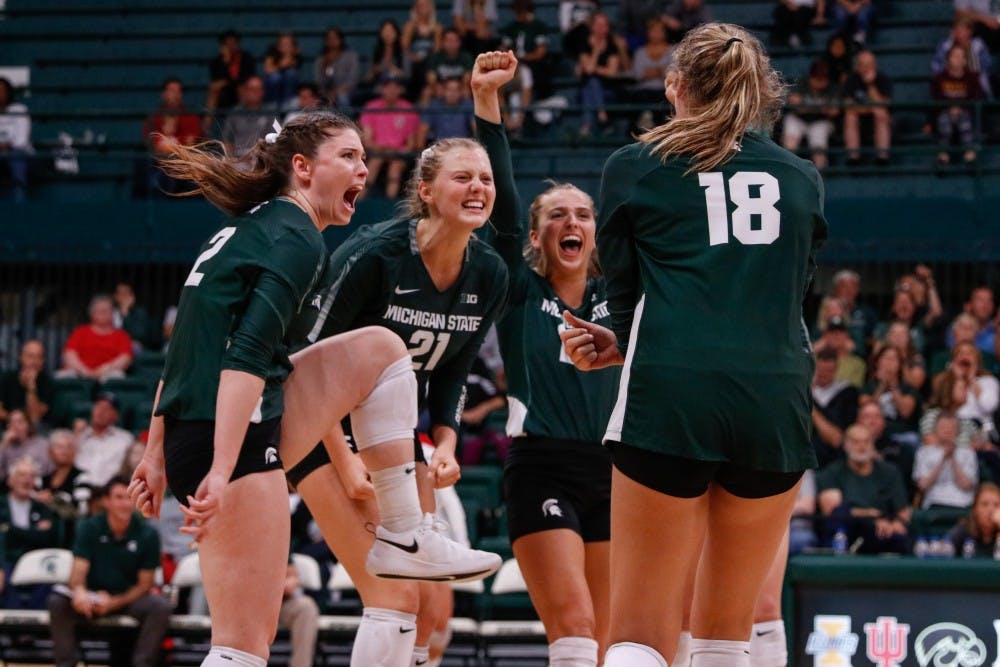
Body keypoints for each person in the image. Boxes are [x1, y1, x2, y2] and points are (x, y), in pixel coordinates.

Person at [128, 110, 498, 667]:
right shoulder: (297, 240)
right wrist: (222, 470)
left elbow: (184, 350)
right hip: (227, 436)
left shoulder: (254, 227)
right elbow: (245, 355)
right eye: (347, 157)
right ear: (301, 168)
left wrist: (155, 453)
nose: (363, 171)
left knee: (380, 349)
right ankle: (404, 531)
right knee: (242, 648)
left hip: (205, 427)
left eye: (365, 159)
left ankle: (405, 532)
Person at [559, 23, 827, 667]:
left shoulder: (633, 167)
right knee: (723, 639)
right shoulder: (801, 178)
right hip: (774, 400)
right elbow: (784, 297)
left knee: (638, 638)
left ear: (676, 89)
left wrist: (620, 341)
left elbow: (625, 294)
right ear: (759, 91)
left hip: (671, 395)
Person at [280, 67, 513, 664]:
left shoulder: (489, 273)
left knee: (432, 603)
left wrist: (445, 442)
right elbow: (307, 367)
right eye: (463, 177)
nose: (479, 187)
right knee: (393, 593)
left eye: (486, 178)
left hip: (394, 436)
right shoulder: (373, 256)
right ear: (427, 191)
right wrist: (346, 458)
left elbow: (453, 372)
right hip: (320, 429)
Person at [475, 52, 619, 666]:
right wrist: (487, 103)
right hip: (542, 468)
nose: (572, 222)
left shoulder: (620, 299)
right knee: (576, 626)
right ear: (536, 237)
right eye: (557, 215)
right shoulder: (518, 288)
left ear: (596, 234)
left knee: (615, 641)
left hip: (616, 472)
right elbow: (504, 202)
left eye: (583, 214)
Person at [48, 476, 171, 667]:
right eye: (119, 498)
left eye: (129, 498)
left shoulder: (148, 534)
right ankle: (66, 664)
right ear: (106, 501)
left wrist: (113, 603)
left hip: (128, 599)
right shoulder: (89, 527)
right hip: (92, 598)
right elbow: (77, 572)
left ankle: (142, 663)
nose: (125, 504)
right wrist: (80, 593)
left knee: (160, 606)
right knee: (58, 602)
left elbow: (145, 585)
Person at [817, 424, 911, 554]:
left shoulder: (890, 472)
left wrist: (898, 524)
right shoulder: (832, 473)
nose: (862, 446)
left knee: (900, 541)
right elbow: (832, 511)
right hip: (848, 531)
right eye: (856, 442)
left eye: (866, 441)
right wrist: (870, 516)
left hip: (883, 532)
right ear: (845, 445)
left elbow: (902, 511)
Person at [359, 71, 422, 198]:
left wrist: (395, 152)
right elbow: (367, 140)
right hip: (377, 152)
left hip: (399, 154)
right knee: (375, 162)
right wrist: (383, 150)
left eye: (395, 87)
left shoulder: (409, 109)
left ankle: (389, 205)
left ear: (401, 89)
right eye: (387, 86)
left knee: (395, 167)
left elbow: (411, 144)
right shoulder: (371, 107)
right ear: (382, 89)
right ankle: (358, 203)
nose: (391, 90)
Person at [142, 78, 202, 196]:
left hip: (184, 165)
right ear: (163, 94)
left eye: (178, 91)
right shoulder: (153, 118)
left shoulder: (190, 117)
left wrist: (168, 141)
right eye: (171, 91)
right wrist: (178, 142)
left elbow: (190, 143)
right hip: (159, 165)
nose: (175, 95)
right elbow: (154, 145)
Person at [931, 44, 984, 165]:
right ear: (948, 59)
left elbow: (975, 98)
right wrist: (951, 108)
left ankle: (970, 154)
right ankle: (943, 155)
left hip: (967, 112)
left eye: (961, 56)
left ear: (965, 61)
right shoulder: (938, 79)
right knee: (944, 118)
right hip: (945, 112)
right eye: (955, 56)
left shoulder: (973, 78)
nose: (958, 59)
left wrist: (959, 108)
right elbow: (936, 100)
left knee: (965, 118)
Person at [59, 294, 134, 381]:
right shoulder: (80, 332)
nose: (105, 314)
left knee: (117, 376)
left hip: (108, 374)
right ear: (92, 313)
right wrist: (84, 371)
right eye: (102, 311)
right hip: (79, 373)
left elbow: (125, 358)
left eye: (108, 310)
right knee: (63, 376)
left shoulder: (121, 335)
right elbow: (69, 355)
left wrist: (104, 369)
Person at [782, 59, 840, 170]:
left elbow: (834, 111)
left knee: (818, 140)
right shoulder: (802, 82)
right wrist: (820, 108)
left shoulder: (832, 87)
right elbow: (795, 104)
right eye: (817, 79)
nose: (820, 82)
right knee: (791, 137)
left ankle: (820, 174)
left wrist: (807, 107)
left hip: (820, 122)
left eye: (823, 79)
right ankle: (787, 169)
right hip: (799, 119)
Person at [913, 412, 978, 509]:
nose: (948, 431)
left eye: (952, 427)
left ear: (958, 430)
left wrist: (952, 458)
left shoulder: (968, 453)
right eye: (943, 427)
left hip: (962, 503)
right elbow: (923, 485)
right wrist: (943, 459)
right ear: (935, 429)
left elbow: (967, 485)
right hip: (934, 503)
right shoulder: (924, 452)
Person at [843, 49, 892, 166]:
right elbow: (848, 106)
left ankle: (882, 157)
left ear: (875, 66)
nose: (866, 68)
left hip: (878, 120)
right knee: (850, 116)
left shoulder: (882, 79)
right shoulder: (851, 80)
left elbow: (884, 105)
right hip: (859, 119)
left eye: (869, 65)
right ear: (857, 66)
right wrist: (870, 108)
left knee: (881, 115)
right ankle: (853, 158)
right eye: (862, 65)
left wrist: (870, 85)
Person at [75, 393, 135, 488]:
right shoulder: (79, 437)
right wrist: (75, 436)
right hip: (81, 489)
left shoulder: (125, 439)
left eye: (107, 409)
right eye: (98, 406)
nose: (100, 411)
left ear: (116, 416)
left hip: (111, 492)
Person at [811, 348, 858, 466]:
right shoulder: (805, 391)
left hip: (834, 456)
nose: (823, 374)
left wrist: (809, 405)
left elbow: (836, 440)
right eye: (820, 369)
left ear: (836, 370)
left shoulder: (847, 393)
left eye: (828, 370)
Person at [932, 18, 993, 98]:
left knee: (983, 80)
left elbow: (987, 65)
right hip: (950, 79)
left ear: (970, 32)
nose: (958, 32)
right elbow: (936, 66)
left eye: (962, 29)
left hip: (973, 80)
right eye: (956, 29)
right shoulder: (945, 45)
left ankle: (987, 103)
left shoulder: (979, 45)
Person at [206, 30, 257, 124]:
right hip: (224, 95)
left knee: (241, 89)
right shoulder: (217, 62)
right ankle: (206, 125)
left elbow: (246, 79)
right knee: (214, 90)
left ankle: (246, 121)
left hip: (242, 92)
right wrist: (226, 62)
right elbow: (216, 82)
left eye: (233, 44)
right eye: (228, 44)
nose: (231, 47)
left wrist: (229, 79)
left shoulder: (246, 58)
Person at [0, 339, 52, 428]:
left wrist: (31, 387)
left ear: (43, 361)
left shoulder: (47, 382)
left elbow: (35, 418)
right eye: (30, 356)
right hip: (7, 426)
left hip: (34, 432)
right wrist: (16, 422)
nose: (35, 361)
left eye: (39, 357)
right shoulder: (6, 378)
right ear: (21, 357)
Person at [279, 559, 320, 667]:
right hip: (247, 603)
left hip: (280, 603)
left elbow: (292, 579)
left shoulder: (280, 544)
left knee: (306, 607)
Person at [221, 76, 274, 158]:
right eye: (252, 89)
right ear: (245, 91)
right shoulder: (235, 113)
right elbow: (227, 141)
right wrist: (231, 161)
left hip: (262, 159)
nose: (256, 92)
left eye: (259, 89)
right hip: (238, 159)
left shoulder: (271, 113)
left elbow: (278, 138)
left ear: (263, 92)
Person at [402, 0, 443, 103]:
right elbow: (404, 47)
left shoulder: (437, 27)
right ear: (415, 8)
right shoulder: (409, 26)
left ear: (431, 8)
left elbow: (437, 50)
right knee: (415, 66)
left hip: (429, 62)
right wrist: (414, 56)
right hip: (413, 62)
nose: (423, 8)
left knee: (428, 67)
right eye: (420, 5)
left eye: (426, 5)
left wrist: (424, 58)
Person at [947, 481, 1000, 557]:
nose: (991, 510)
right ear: (975, 509)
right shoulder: (962, 532)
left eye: (996, 505)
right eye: (985, 504)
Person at [0, 77, 32, 202]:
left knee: (17, 156)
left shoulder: (20, 110)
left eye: (1, 90)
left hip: (21, 157)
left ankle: (19, 204)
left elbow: (21, 141)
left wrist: (5, 147)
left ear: (8, 92)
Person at [0, 409, 53, 482]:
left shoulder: (42, 444)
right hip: (12, 489)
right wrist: (3, 444)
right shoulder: (6, 447)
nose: (15, 426)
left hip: (37, 486)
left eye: (20, 422)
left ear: (28, 425)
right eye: (11, 422)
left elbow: (49, 471)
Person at [314, 28, 361, 110]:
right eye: (329, 38)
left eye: (335, 38)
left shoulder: (351, 56)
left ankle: (346, 121)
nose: (332, 41)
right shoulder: (321, 60)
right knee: (319, 101)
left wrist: (335, 94)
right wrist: (325, 66)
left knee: (342, 97)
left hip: (348, 93)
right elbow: (319, 83)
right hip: (327, 94)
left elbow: (353, 80)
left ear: (341, 39)